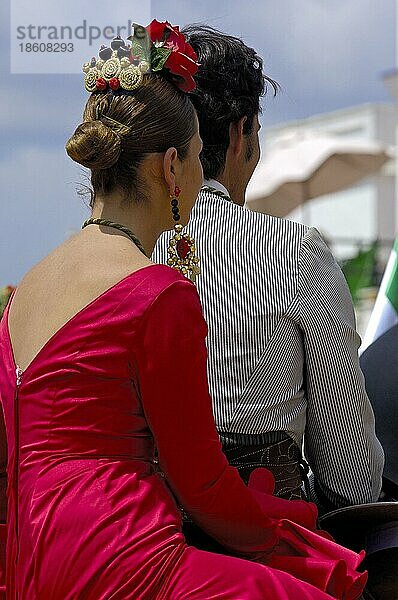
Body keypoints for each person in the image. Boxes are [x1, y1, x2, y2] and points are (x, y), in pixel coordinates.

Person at [0, 20, 367, 599]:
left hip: (30, 564)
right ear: (171, 166)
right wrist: (295, 539)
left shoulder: (26, 292)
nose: (202, 177)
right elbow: (199, 483)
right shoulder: (156, 291)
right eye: (197, 158)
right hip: (124, 558)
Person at [153, 24, 384, 512]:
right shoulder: (295, 250)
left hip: (137, 534)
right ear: (242, 133)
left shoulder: (118, 255)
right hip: (266, 538)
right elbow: (350, 468)